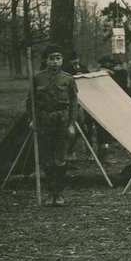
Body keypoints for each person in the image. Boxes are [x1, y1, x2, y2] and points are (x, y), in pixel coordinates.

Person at [31, 44, 79, 206]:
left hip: (63, 120)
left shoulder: (68, 78)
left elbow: (73, 103)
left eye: (58, 58)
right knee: (46, 159)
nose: (55, 62)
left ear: (62, 60)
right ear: (46, 60)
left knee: (60, 158)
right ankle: (49, 192)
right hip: (45, 119)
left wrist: (72, 123)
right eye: (52, 59)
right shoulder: (38, 78)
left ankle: (58, 193)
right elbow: (31, 102)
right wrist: (32, 119)